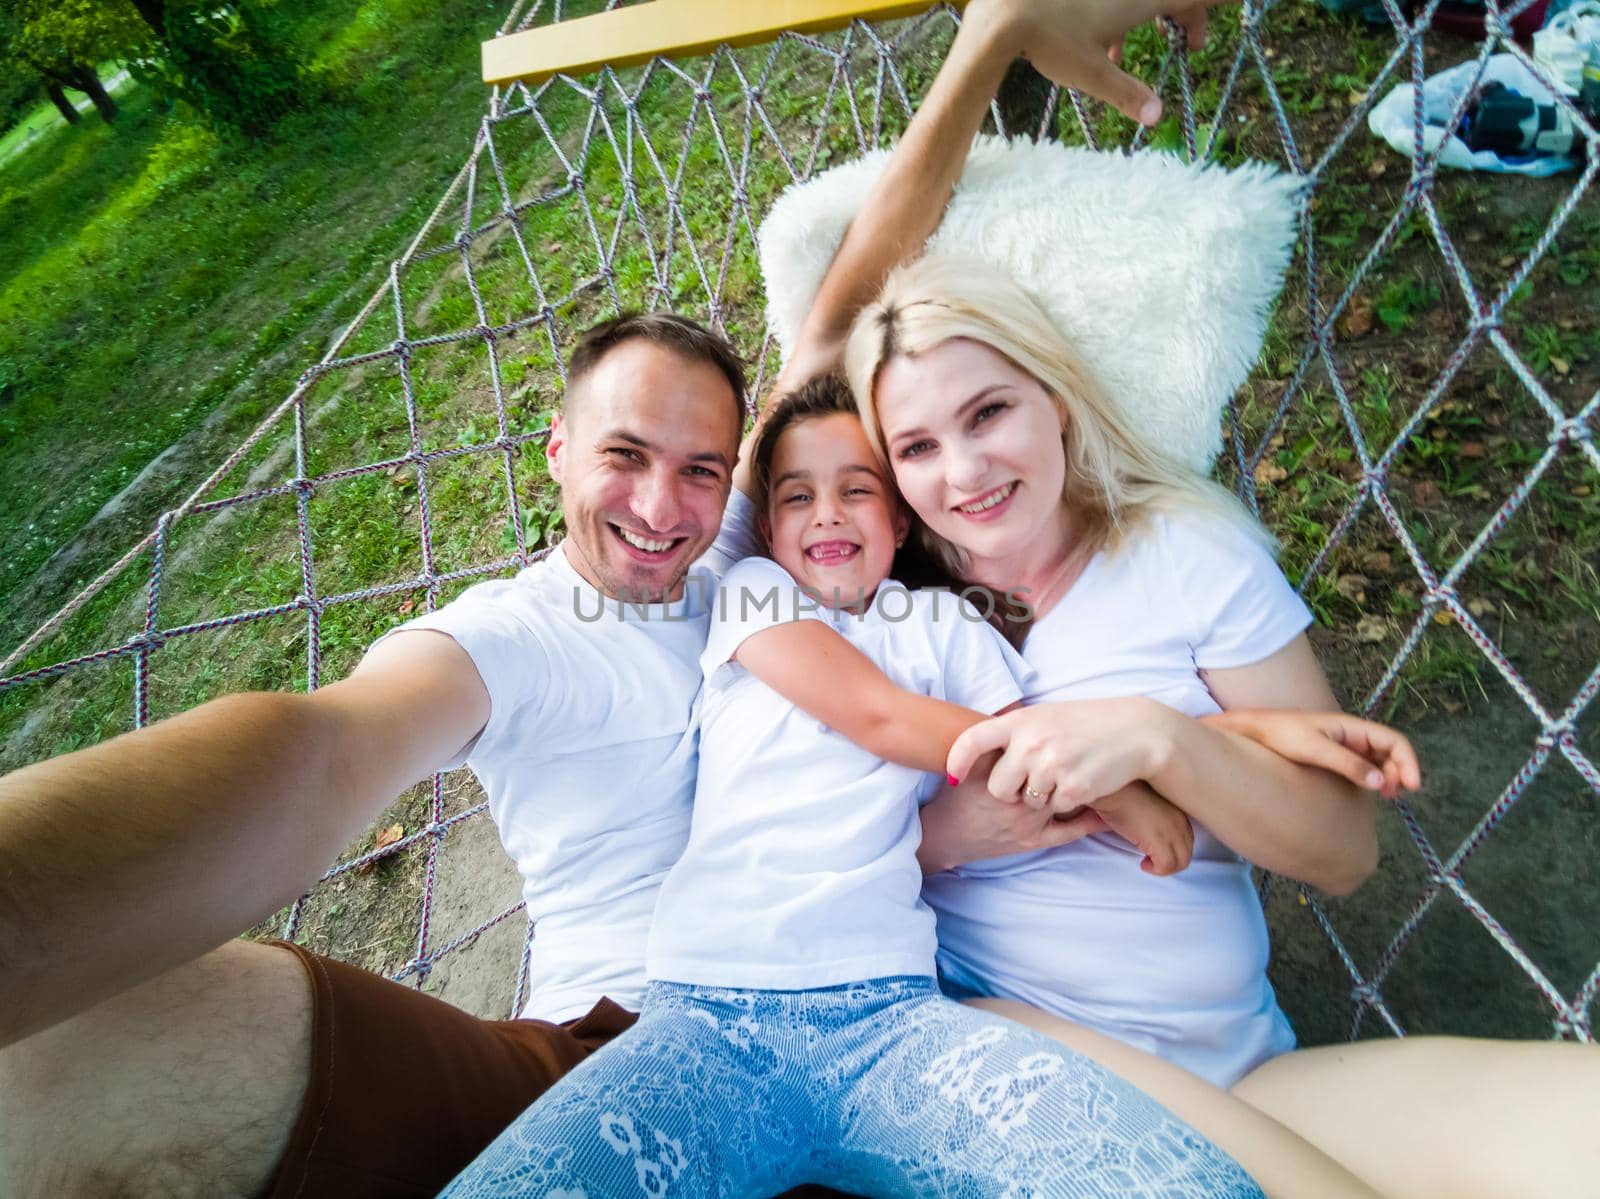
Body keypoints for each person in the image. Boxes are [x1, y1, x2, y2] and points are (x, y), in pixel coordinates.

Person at [0, 4, 1384, 1197]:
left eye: (702, 471)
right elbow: (324, 747)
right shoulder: (557, 625)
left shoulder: (790, 550)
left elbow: (846, 318)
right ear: (553, 448)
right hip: (644, 1034)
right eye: (623, 458)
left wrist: (989, 42)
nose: (664, 508)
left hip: (908, 1014)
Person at [833, 249, 1600, 1199]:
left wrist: (1165, 738)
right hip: (1008, 1053)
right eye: (916, 447)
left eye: (989, 412)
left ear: (1057, 398)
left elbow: (1341, 852)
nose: (965, 470)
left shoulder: (1187, 552)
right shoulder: (875, 613)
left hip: (1240, 1072)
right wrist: (952, 836)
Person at [438, 375, 1281, 1197]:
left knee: (1171, 1179)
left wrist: (1248, 735)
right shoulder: (755, 592)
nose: (828, 512)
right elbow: (877, 715)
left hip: (897, 1019)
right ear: (764, 526)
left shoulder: (947, 623)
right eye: (798, 497)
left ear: (901, 514)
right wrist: (1121, 793)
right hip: (707, 1021)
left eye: (857, 489)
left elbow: (1044, 745)